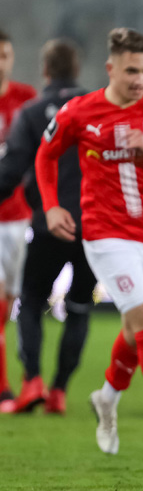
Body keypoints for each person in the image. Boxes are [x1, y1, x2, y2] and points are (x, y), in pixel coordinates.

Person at [35, 27, 143, 456]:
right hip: (105, 235)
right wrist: (51, 205)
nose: (140, 80)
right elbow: (46, 155)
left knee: (136, 330)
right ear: (110, 68)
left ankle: (107, 399)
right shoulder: (80, 111)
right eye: (132, 71)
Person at [0, 39, 93, 415]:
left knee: (32, 302)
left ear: (45, 71)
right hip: (93, 227)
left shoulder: (33, 112)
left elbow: (10, 172)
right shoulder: (97, 108)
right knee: (80, 308)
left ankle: (33, 380)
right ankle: (59, 391)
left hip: (49, 222)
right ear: (78, 69)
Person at [0, 29, 37, 409]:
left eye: (5, 55)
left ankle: (25, 381)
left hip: (21, 216)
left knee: (16, 301)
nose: (1, 63)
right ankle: (3, 387)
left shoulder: (26, 100)